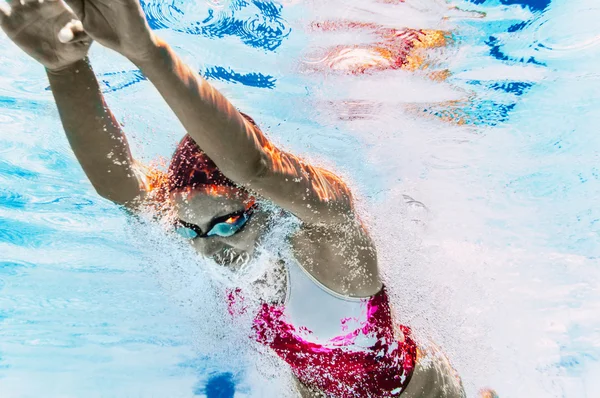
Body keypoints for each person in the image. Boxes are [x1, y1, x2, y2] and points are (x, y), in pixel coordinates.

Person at [0, 0, 494, 396]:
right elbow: (118, 185)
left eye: (227, 223)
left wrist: (149, 54)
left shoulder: (328, 236)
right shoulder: (213, 240)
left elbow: (253, 165)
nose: (209, 246)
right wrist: (66, 71)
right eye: (189, 230)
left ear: (266, 204)